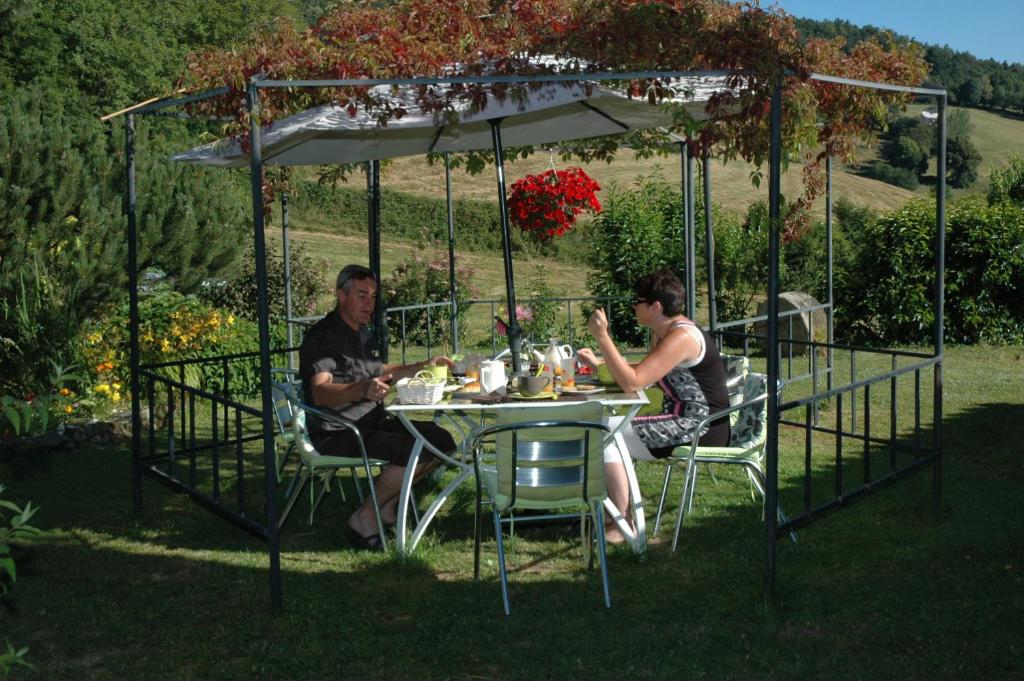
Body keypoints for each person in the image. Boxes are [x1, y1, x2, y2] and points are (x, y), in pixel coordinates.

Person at [299, 264, 456, 550]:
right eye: (362, 296)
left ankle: (386, 505)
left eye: (372, 296)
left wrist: (423, 366)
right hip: (339, 430)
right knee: (414, 450)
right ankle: (364, 517)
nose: (369, 303)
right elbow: (320, 392)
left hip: (371, 420)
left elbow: (381, 370)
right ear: (340, 296)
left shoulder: (361, 332)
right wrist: (363, 389)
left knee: (441, 441)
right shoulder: (323, 337)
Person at [576, 268, 730, 544]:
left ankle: (622, 523)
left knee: (604, 431)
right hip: (682, 419)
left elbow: (633, 382)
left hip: (700, 427)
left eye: (637, 301)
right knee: (605, 428)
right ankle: (615, 515)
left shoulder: (681, 337)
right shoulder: (665, 333)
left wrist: (602, 337)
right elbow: (646, 372)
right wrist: (599, 364)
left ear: (656, 306)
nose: (633, 306)